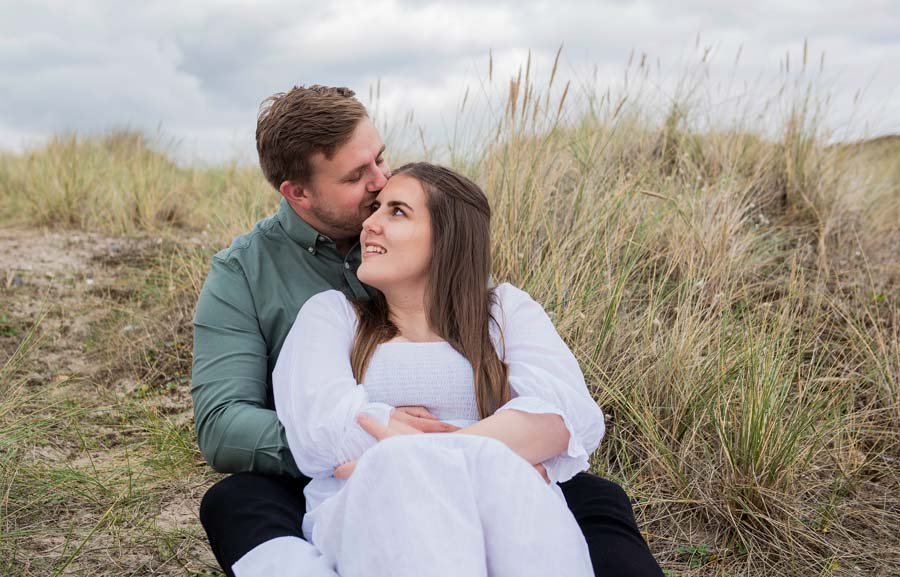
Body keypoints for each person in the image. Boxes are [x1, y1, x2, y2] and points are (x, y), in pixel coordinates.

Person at [192, 85, 663, 577]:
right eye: (358, 178)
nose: (379, 182)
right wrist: (363, 442)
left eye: (380, 160)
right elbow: (225, 423)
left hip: (492, 453)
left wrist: (435, 453)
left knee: (598, 502)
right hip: (337, 467)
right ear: (299, 193)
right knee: (238, 501)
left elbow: (557, 405)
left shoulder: (493, 300)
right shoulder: (250, 276)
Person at [274, 162, 602, 576]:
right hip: (375, 508)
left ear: (447, 238)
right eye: (375, 208)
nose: (369, 224)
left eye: (396, 211)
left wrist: (416, 454)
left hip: (499, 505)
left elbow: (564, 417)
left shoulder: (504, 312)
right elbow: (324, 435)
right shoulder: (332, 316)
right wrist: (499, 451)